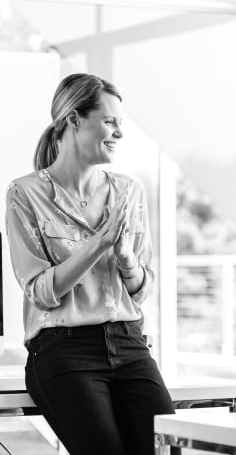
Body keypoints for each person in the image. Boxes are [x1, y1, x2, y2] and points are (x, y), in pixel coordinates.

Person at [5, 73, 176, 455]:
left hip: (129, 343)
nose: (119, 132)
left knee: (165, 450)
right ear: (74, 120)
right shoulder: (25, 193)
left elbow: (143, 288)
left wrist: (127, 259)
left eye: (120, 123)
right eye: (110, 121)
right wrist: (98, 244)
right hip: (63, 350)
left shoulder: (128, 190)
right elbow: (41, 291)